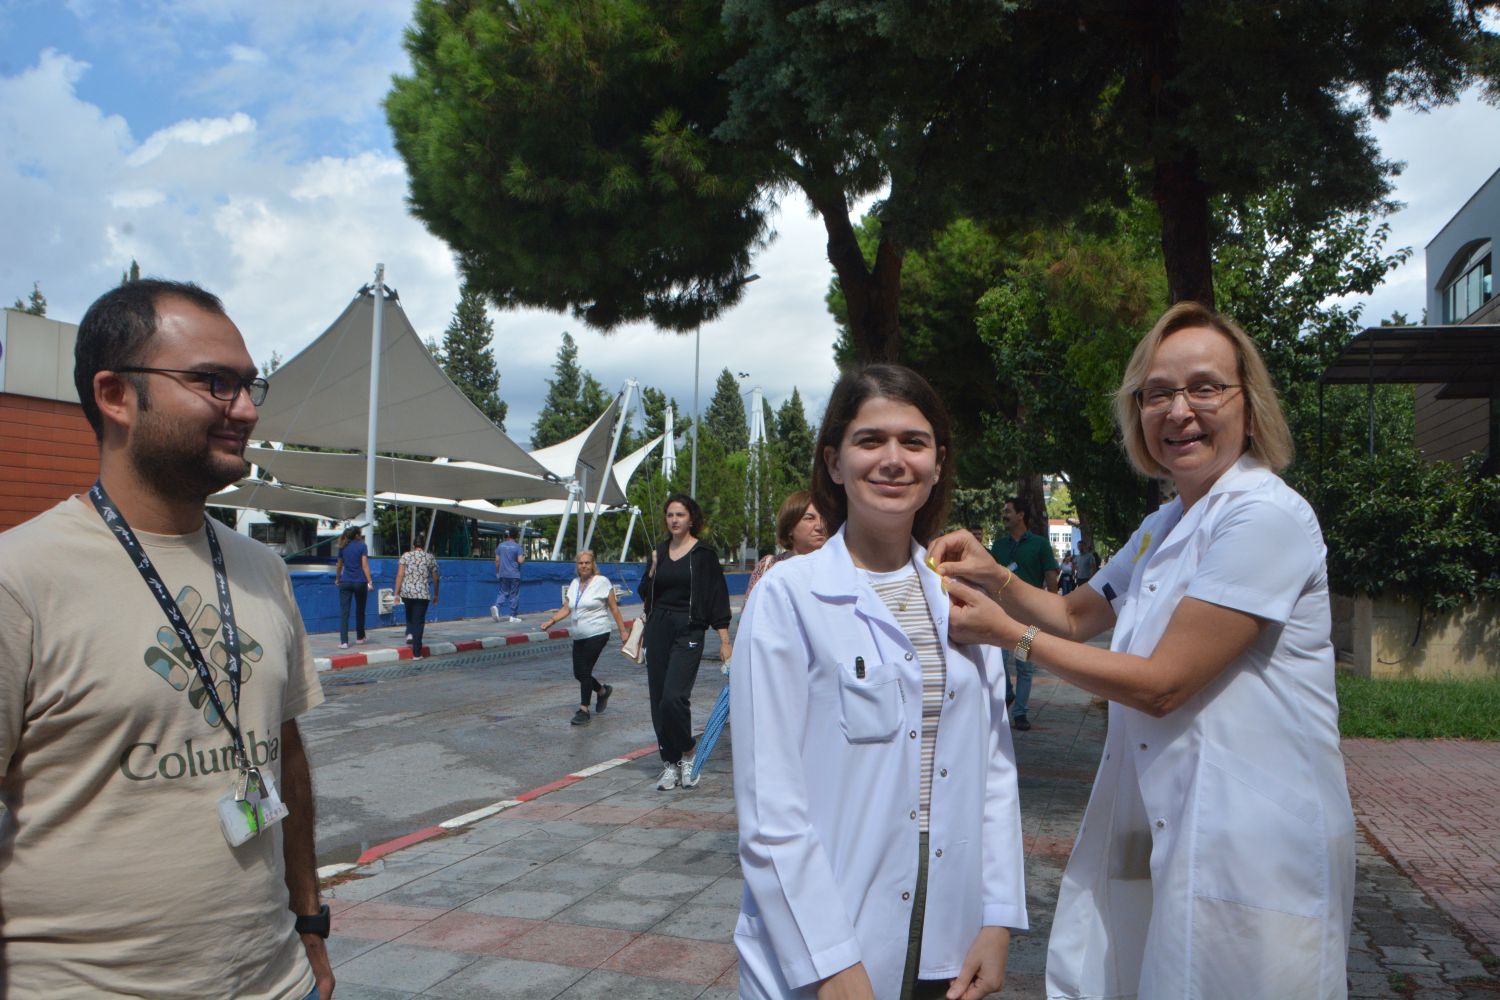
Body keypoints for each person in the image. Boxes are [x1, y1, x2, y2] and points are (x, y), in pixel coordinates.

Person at [931, 301, 1355, 1000]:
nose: (1178, 410)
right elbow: (1074, 613)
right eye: (1157, 393)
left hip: (1255, 841)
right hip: (1173, 822)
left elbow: (1163, 683)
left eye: (1204, 388)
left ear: (1248, 404)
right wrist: (992, 573)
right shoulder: (1165, 523)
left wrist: (1010, 637)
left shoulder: (1265, 516)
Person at [0, 279, 333, 999]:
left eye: (249, 386)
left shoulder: (262, 569)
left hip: (278, 981)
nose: (243, 410)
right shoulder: (19, 579)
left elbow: (287, 756)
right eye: (214, 383)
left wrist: (311, 921)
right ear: (116, 395)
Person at [732, 364, 1026, 1000]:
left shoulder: (961, 597)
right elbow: (769, 809)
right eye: (871, 441)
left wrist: (998, 916)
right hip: (828, 941)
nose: (894, 460)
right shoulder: (790, 596)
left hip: (948, 936)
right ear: (834, 462)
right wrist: (832, 965)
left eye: (914, 443)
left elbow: (994, 769)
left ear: (938, 463)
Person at [637, 494, 731, 791]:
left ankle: (688, 750)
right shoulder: (659, 552)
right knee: (657, 700)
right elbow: (645, 592)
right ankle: (670, 763)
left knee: (674, 697)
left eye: (680, 515)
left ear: (691, 518)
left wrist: (724, 640)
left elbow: (717, 596)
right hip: (658, 627)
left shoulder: (703, 554)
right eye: (670, 515)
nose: (674, 520)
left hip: (689, 629)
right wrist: (652, 571)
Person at [987, 497, 1058, 731]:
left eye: (1008, 511)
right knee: (998, 661)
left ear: (1021, 515)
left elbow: (1050, 577)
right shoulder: (998, 546)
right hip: (1000, 615)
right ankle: (1007, 694)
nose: (1004, 515)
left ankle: (1020, 713)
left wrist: (1053, 608)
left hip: (1029, 619)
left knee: (1024, 666)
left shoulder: (1039, 544)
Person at [539, 549, 628, 726]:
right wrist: (551, 621)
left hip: (598, 632)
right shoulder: (573, 584)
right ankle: (602, 691)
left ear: (593, 564)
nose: (584, 566)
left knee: (585, 670)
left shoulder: (602, 582)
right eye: (581, 563)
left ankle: (583, 710)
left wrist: (623, 631)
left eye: (587, 562)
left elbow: (614, 608)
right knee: (578, 673)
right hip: (579, 635)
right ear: (577, 566)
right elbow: (567, 608)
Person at [744, 489, 827, 599]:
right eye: (809, 518)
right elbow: (750, 611)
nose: (819, 526)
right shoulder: (768, 565)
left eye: (824, 518)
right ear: (789, 527)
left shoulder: (838, 566)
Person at [394, 538, 439, 660]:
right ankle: (417, 653)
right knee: (418, 622)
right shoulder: (429, 557)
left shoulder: (405, 556)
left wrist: (396, 593)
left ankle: (409, 633)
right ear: (423, 545)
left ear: (413, 545)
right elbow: (436, 578)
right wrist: (436, 594)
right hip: (422, 594)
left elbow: (400, 575)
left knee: (409, 615)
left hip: (407, 592)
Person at [333, 526, 371, 649]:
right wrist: (369, 580)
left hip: (346, 581)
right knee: (360, 610)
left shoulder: (343, 547)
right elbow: (365, 565)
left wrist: (338, 578)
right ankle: (360, 637)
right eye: (360, 533)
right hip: (360, 581)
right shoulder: (362, 546)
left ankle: (344, 641)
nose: (361, 535)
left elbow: (339, 565)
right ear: (356, 535)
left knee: (344, 612)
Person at [492, 528, 525, 623]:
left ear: (508, 535)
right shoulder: (518, 547)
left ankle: (496, 607)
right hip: (514, 574)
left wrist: (497, 572)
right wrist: (524, 556)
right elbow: (520, 561)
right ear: (516, 536)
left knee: (503, 592)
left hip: (503, 573)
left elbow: (497, 561)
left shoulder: (500, 546)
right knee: (514, 594)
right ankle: (513, 616)